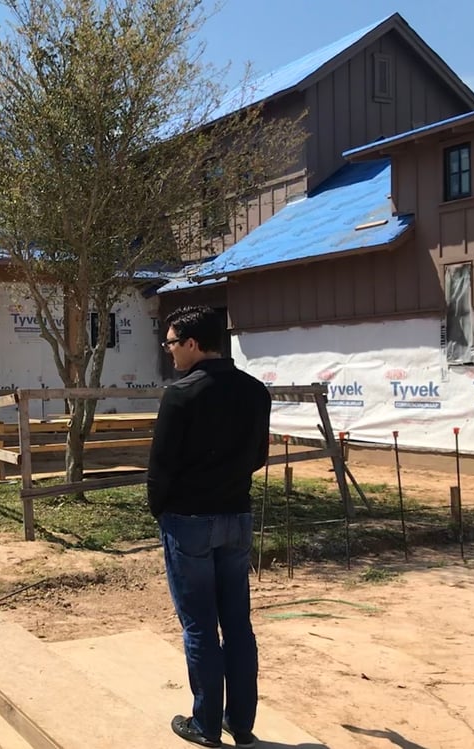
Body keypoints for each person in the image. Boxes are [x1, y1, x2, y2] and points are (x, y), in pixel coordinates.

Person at [147, 305, 271, 749]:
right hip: (237, 515)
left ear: (193, 345)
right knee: (237, 623)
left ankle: (204, 725)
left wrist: (160, 509)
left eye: (172, 343)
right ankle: (240, 723)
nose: (170, 352)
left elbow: (160, 468)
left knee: (199, 625)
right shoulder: (257, 392)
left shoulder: (181, 394)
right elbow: (259, 455)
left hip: (189, 521)